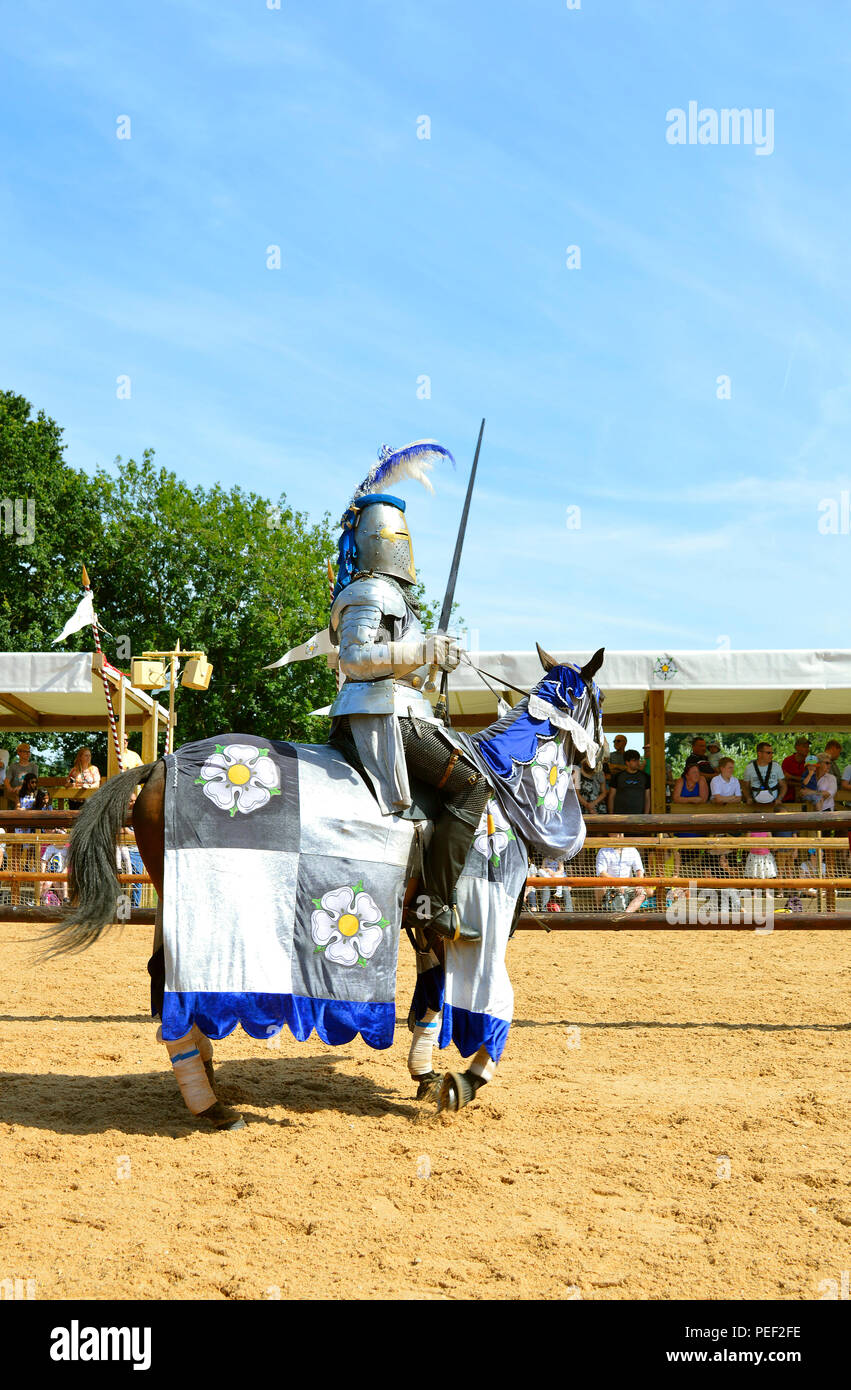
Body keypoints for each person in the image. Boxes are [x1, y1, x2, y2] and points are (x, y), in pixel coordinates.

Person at [326, 442, 487, 943]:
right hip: (382, 719)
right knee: (474, 786)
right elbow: (354, 660)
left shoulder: (385, 595)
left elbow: (406, 663)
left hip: (396, 710)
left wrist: (434, 658)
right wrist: (423, 651)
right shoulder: (372, 591)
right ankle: (437, 906)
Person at [594, 833, 647, 914]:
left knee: (642, 894)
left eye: (621, 833)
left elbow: (639, 870)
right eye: (616, 833)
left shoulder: (632, 850)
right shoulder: (603, 850)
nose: (619, 836)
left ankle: (626, 914)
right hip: (610, 887)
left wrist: (639, 884)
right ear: (610, 834)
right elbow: (601, 872)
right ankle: (601, 910)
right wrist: (617, 884)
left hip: (628, 887)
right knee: (599, 884)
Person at [741, 742, 787, 809]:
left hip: (773, 804)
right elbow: (745, 786)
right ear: (759, 753)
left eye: (772, 753)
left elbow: (783, 785)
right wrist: (748, 798)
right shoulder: (749, 768)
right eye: (768, 753)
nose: (771, 755)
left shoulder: (776, 766)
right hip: (755, 805)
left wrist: (779, 798)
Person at [607, 749, 650, 815]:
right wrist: (611, 815)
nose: (637, 762)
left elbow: (647, 798)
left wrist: (646, 815)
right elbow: (611, 797)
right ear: (627, 762)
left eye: (638, 760)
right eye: (634, 760)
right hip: (620, 815)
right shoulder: (617, 776)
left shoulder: (645, 777)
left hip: (639, 816)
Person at [781, 738, 811, 803]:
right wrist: (801, 782)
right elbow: (784, 781)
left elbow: (809, 781)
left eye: (808, 747)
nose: (807, 749)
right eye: (804, 746)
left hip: (805, 799)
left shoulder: (810, 762)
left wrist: (791, 777)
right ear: (797, 748)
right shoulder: (787, 761)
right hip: (788, 798)